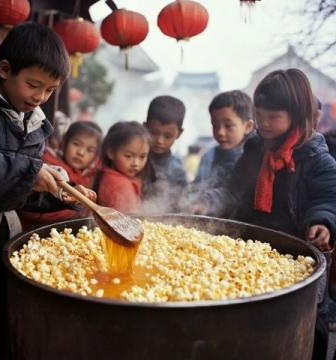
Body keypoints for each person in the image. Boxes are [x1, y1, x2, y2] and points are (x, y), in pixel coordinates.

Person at [192, 68, 336, 360]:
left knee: (307, 320)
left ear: (297, 115)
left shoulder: (316, 158)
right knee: (257, 317)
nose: (264, 124)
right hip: (259, 251)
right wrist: (208, 202)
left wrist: (322, 222)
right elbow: (234, 189)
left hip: (302, 251)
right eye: (260, 116)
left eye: (273, 117)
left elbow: (328, 198)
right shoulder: (255, 149)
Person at [0, 22, 93, 359]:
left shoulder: (36, 121)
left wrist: (58, 193)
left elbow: (21, 191)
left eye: (50, 90)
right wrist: (30, 173)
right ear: (4, 70)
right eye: (33, 85)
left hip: (4, 234)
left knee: (1, 316)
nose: (39, 97)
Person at [18, 121, 103, 230]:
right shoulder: (49, 165)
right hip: (37, 228)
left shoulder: (91, 175)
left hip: (70, 228)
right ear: (64, 142)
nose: (81, 152)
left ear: (96, 156)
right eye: (76, 144)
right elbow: (31, 206)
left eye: (90, 150)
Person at [180, 90, 254, 212]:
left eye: (228, 126)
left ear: (248, 127)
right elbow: (197, 185)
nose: (220, 132)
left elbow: (233, 193)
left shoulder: (249, 158)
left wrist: (207, 202)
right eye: (215, 125)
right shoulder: (208, 155)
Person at [142, 95, 187, 213]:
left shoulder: (177, 171)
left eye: (167, 136)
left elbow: (181, 205)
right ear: (145, 127)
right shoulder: (134, 159)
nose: (159, 141)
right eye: (154, 133)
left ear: (179, 134)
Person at [94, 121, 150, 213]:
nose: (136, 163)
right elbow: (129, 219)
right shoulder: (121, 185)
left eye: (142, 156)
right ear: (111, 152)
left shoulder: (107, 174)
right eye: (128, 156)